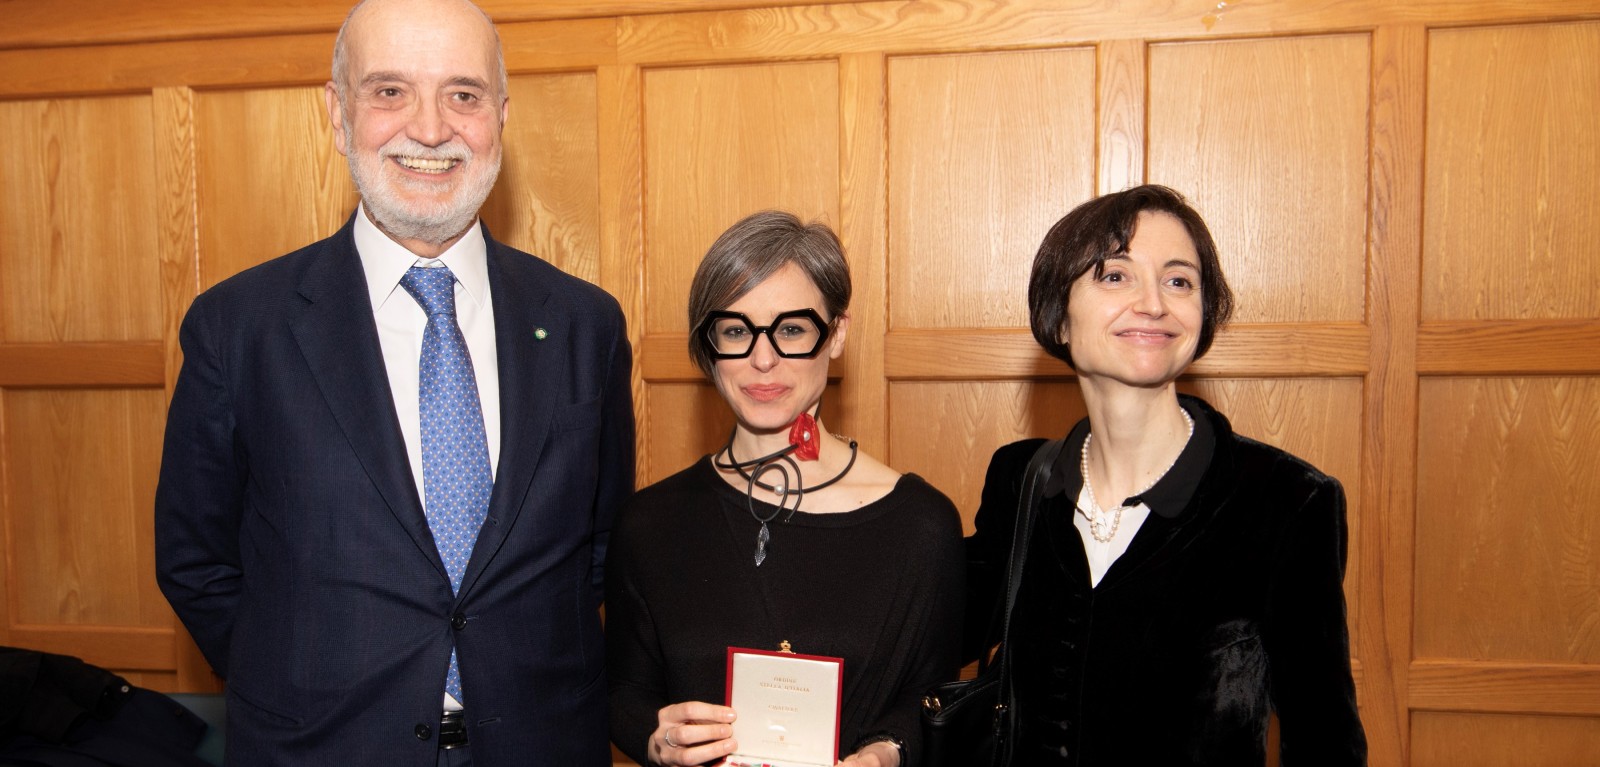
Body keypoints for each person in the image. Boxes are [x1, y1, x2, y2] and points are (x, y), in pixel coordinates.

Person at [153, 0, 634, 764]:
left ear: (501, 116)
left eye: (463, 94)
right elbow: (196, 561)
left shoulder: (586, 324)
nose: (431, 129)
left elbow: (597, 549)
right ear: (338, 114)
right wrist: (298, 682)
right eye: (390, 91)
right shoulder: (238, 328)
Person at [964, 185, 1367, 765]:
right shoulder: (1020, 479)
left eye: (1179, 281)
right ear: (1058, 317)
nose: (1153, 303)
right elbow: (923, 633)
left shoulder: (1286, 501)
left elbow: (1325, 741)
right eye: (1115, 276)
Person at [605, 211, 963, 767]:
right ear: (709, 345)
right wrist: (658, 740)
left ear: (836, 334)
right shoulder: (649, 523)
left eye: (792, 329)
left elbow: (932, 695)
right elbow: (624, 692)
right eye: (735, 330)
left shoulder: (920, 524)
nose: (763, 358)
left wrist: (885, 753)